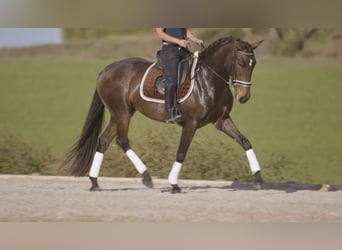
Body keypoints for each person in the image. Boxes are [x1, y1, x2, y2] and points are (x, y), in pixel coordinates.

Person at [155, 28, 204, 123]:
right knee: (172, 79)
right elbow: (160, 34)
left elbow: (186, 32)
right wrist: (178, 41)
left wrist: (197, 40)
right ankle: (169, 112)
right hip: (170, 50)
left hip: (183, 50)